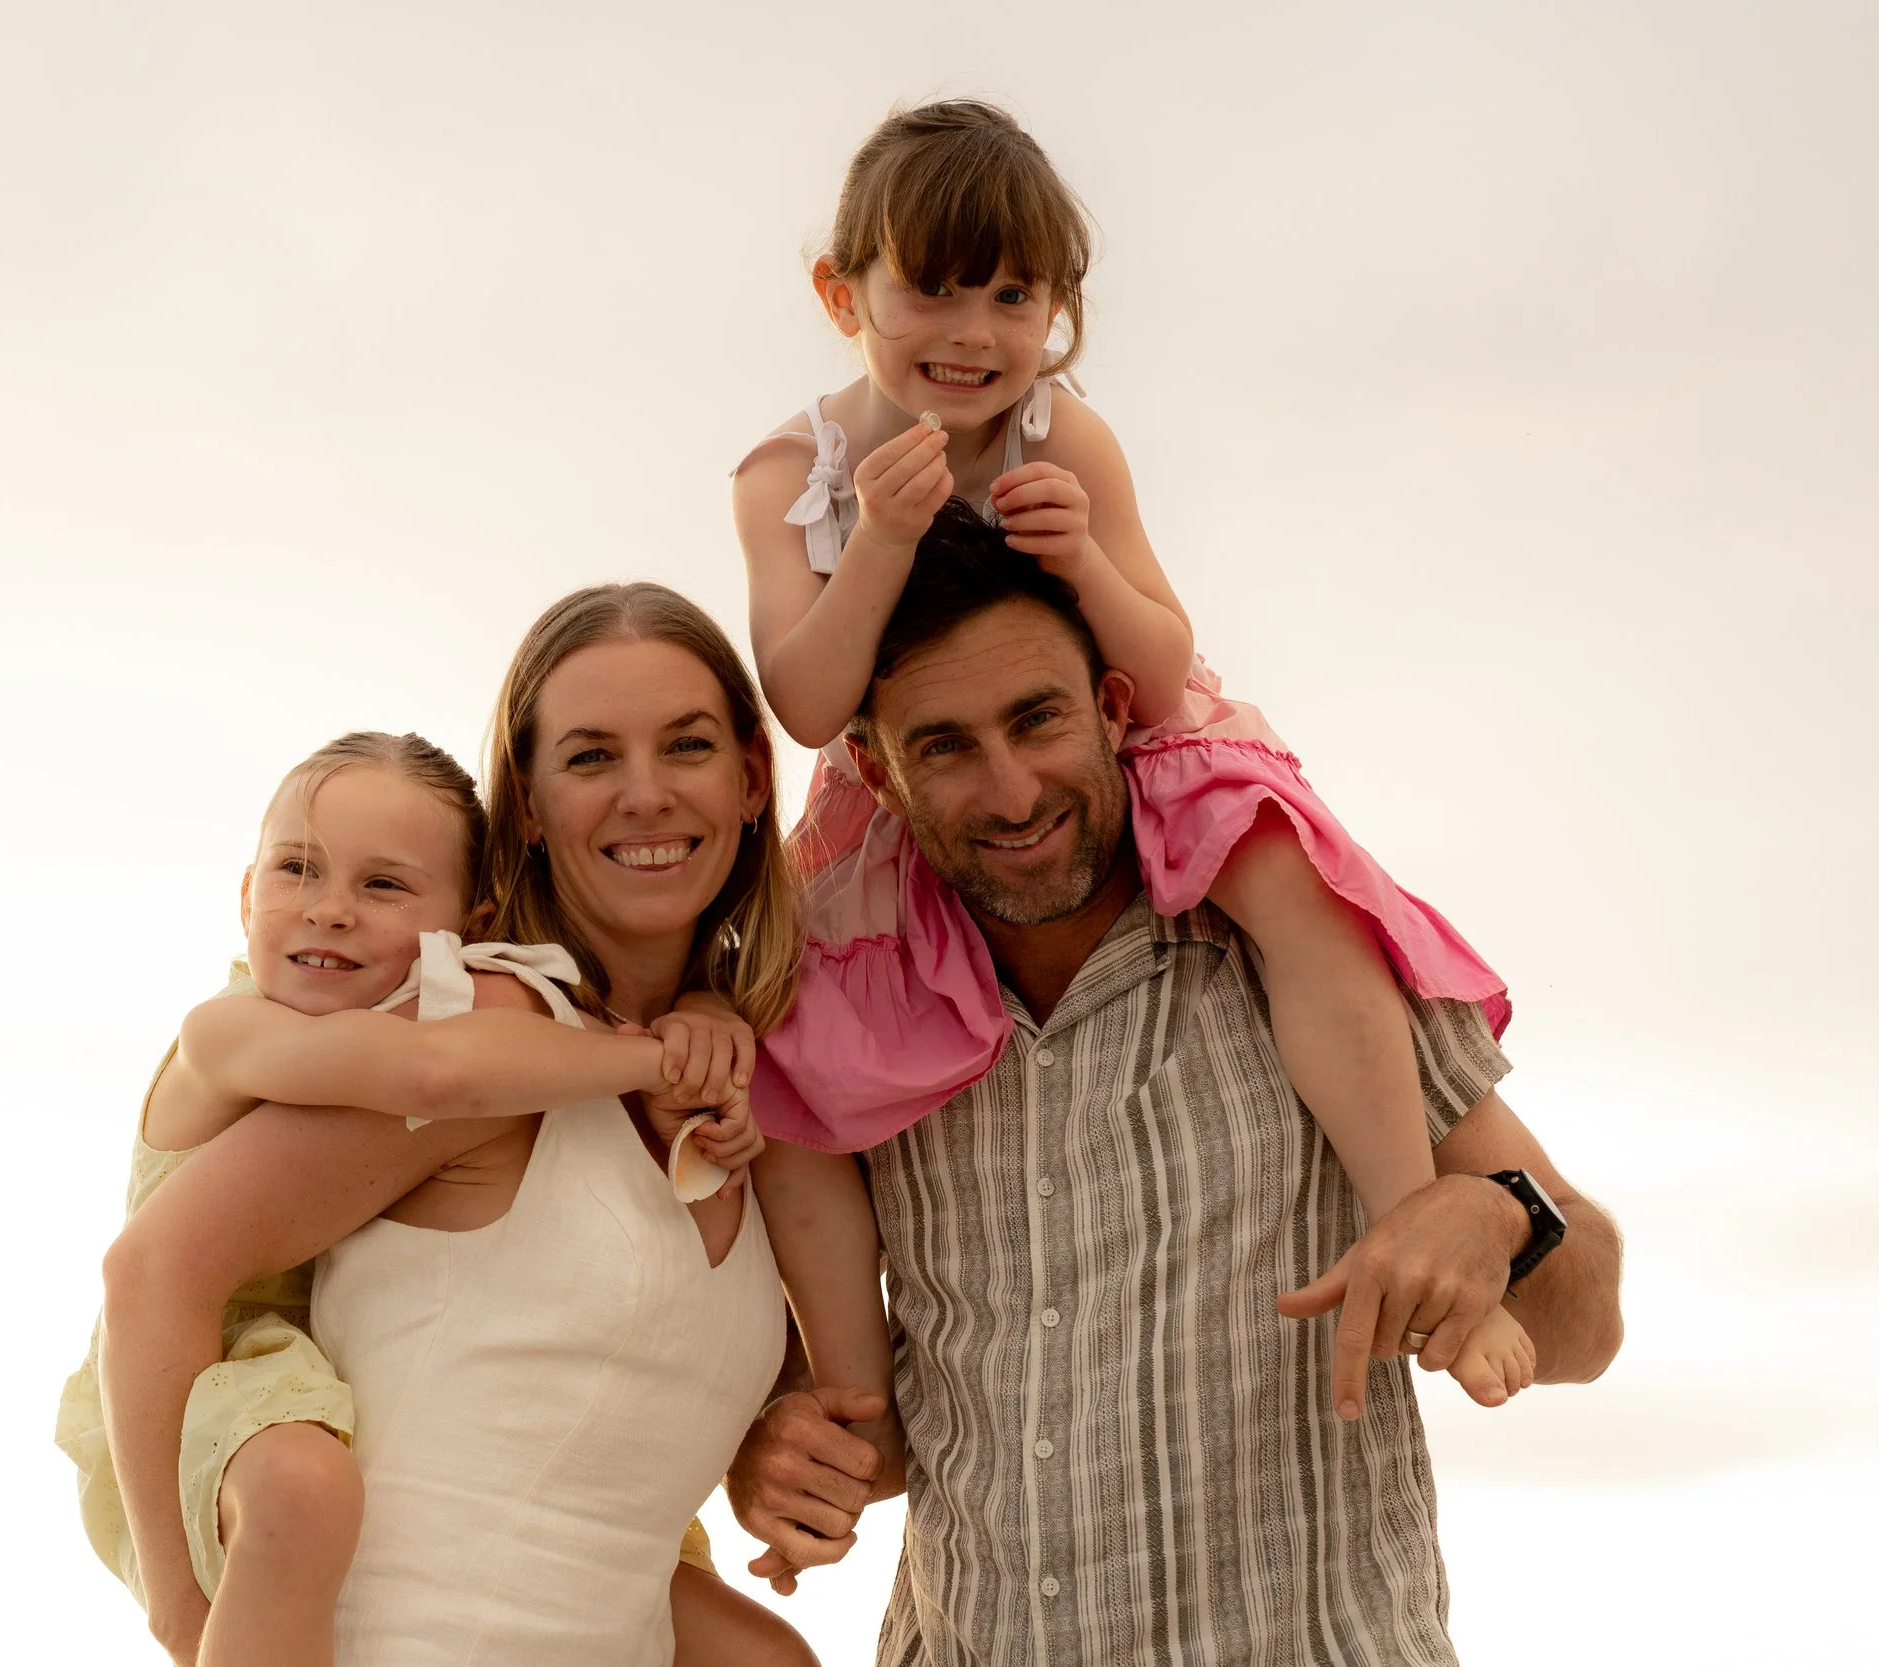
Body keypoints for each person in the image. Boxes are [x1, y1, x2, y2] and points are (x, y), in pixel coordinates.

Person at [730, 97, 1534, 1427]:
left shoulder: (1063, 435)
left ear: (1056, 302)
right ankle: (858, 1408)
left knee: (1291, 881)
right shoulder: (791, 473)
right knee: (792, 1034)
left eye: (1013, 293)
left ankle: (1415, 1223)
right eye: (932, 292)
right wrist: (875, 541)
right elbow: (811, 702)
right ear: (840, 292)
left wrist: (1082, 557)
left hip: (1118, 734)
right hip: (902, 791)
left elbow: (1160, 669)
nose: (976, 334)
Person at [727, 505, 1625, 1664]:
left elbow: (1591, 1319)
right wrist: (767, 1438)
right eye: (944, 745)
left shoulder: (1299, 949)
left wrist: (1499, 1217)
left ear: (1111, 706)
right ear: (878, 775)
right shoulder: (847, 1031)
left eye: (1036, 718)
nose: (1010, 792)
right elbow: (842, 1405)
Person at [95, 588, 818, 1667]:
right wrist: (176, 1605)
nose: (644, 792)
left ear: (753, 777)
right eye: (586, 756)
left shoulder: (757, 1079)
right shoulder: (472, 1032)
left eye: (687, 743)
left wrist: (781, 1438)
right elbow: (154, 1268)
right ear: (525, 805)